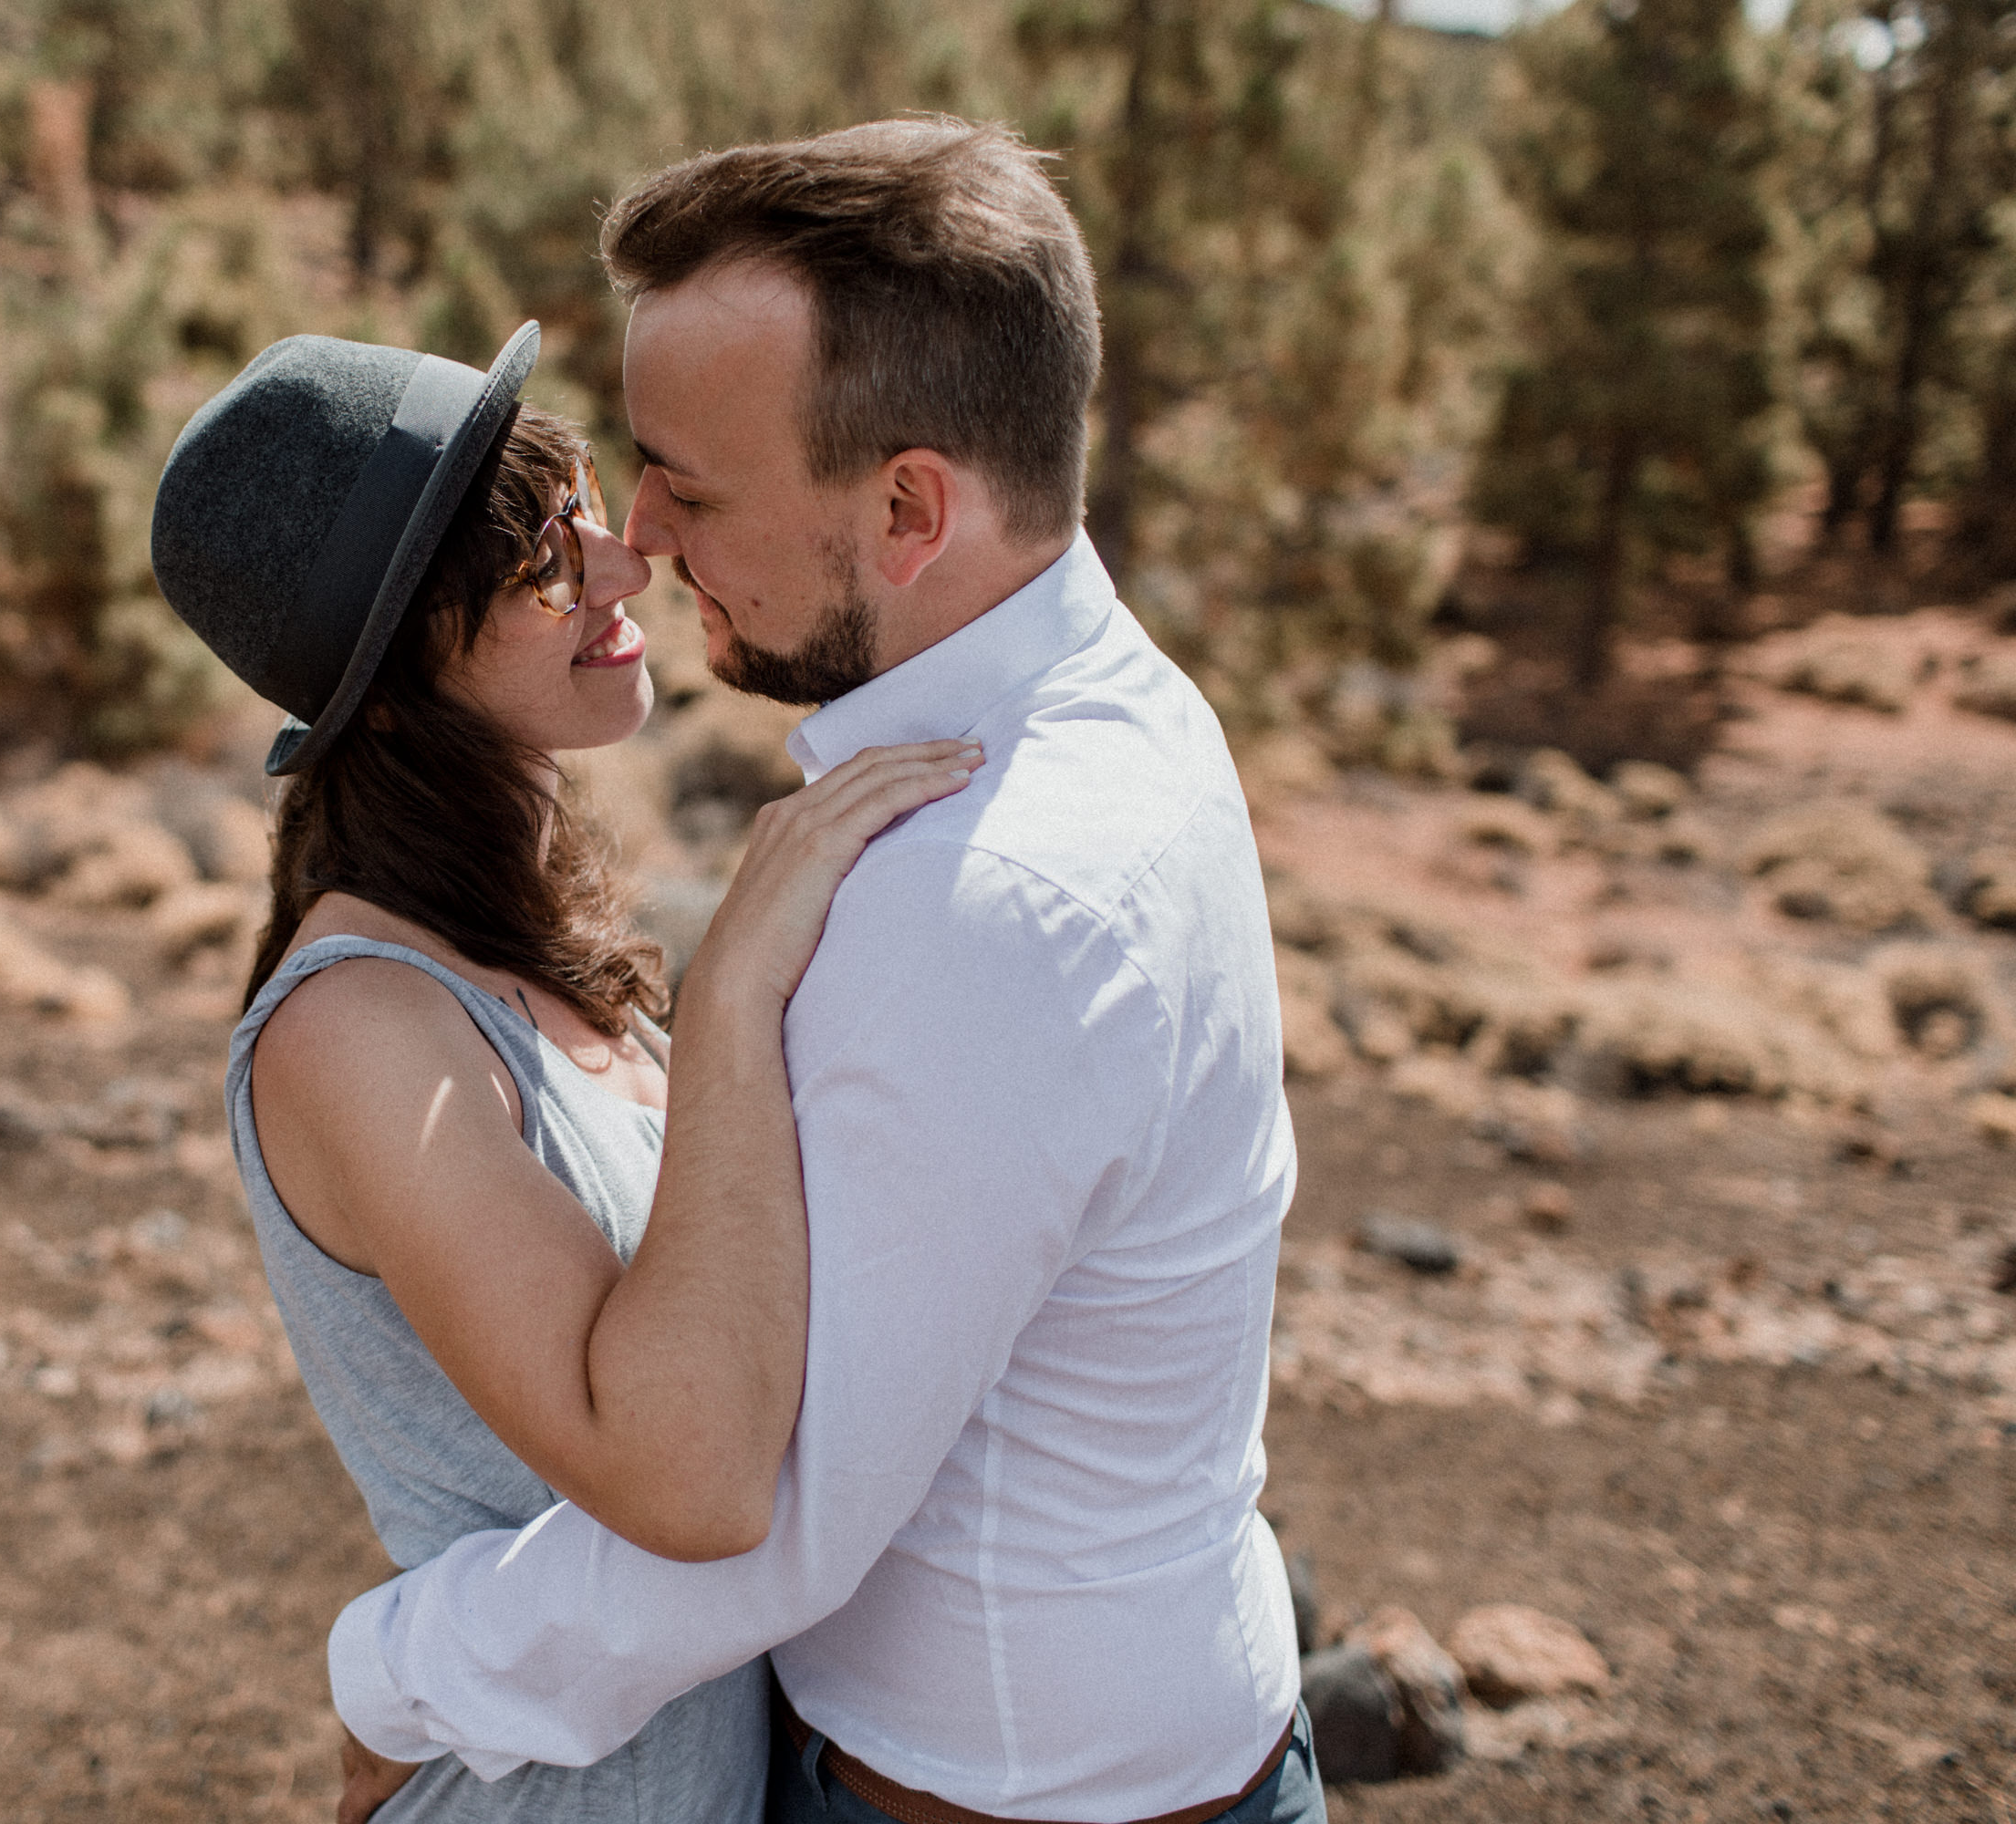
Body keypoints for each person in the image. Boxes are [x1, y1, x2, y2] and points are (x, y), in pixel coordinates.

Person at [322, 119, 1322, 1824]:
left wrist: (395, 1672)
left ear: (911, 505)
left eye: (693, 487)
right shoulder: (1116, 704)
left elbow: (766, 1506)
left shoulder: (984, 896)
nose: (637, 535)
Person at [148, 321, 982, 1823]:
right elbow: (690, 1483)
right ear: (391, 692)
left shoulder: (529, 948)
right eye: (538, 566)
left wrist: (405, 1670)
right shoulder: (364, 1029)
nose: (618, 569)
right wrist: (730, 997)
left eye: (580, 499)